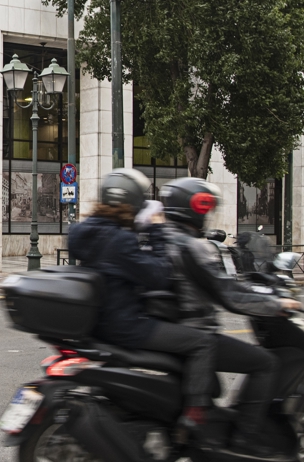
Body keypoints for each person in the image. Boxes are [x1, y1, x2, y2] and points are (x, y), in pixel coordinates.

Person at [67, 169, 216, 441]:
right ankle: (194, 417)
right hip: (126, 325)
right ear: (134, 202)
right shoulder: (120, 240)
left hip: (98, 323)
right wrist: (157, 230)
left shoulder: (82, 232)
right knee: (202, 342)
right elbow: (159, 274)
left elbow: (114, 266)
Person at [157, 177, 299, 460]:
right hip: (195, 331)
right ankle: (246, 437)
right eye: (205, 210)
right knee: (266, 363)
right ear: (195, 210)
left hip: (168, 331)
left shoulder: (158, 238)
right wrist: (275, 303)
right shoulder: (192, 246)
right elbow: (229, 294)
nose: (208, 217)